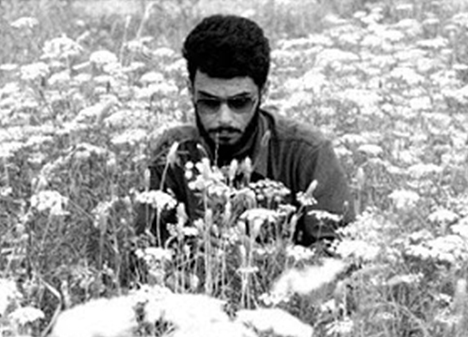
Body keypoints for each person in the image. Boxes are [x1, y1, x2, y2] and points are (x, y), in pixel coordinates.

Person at [136, 14, 354, 247]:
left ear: (264, 92)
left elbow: (338, 253)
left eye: (239, 103)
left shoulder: (307, 152)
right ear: (191, 92)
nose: (224, 118)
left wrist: (267, 260)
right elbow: (146, 245)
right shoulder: (174, 152)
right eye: (209, 102)